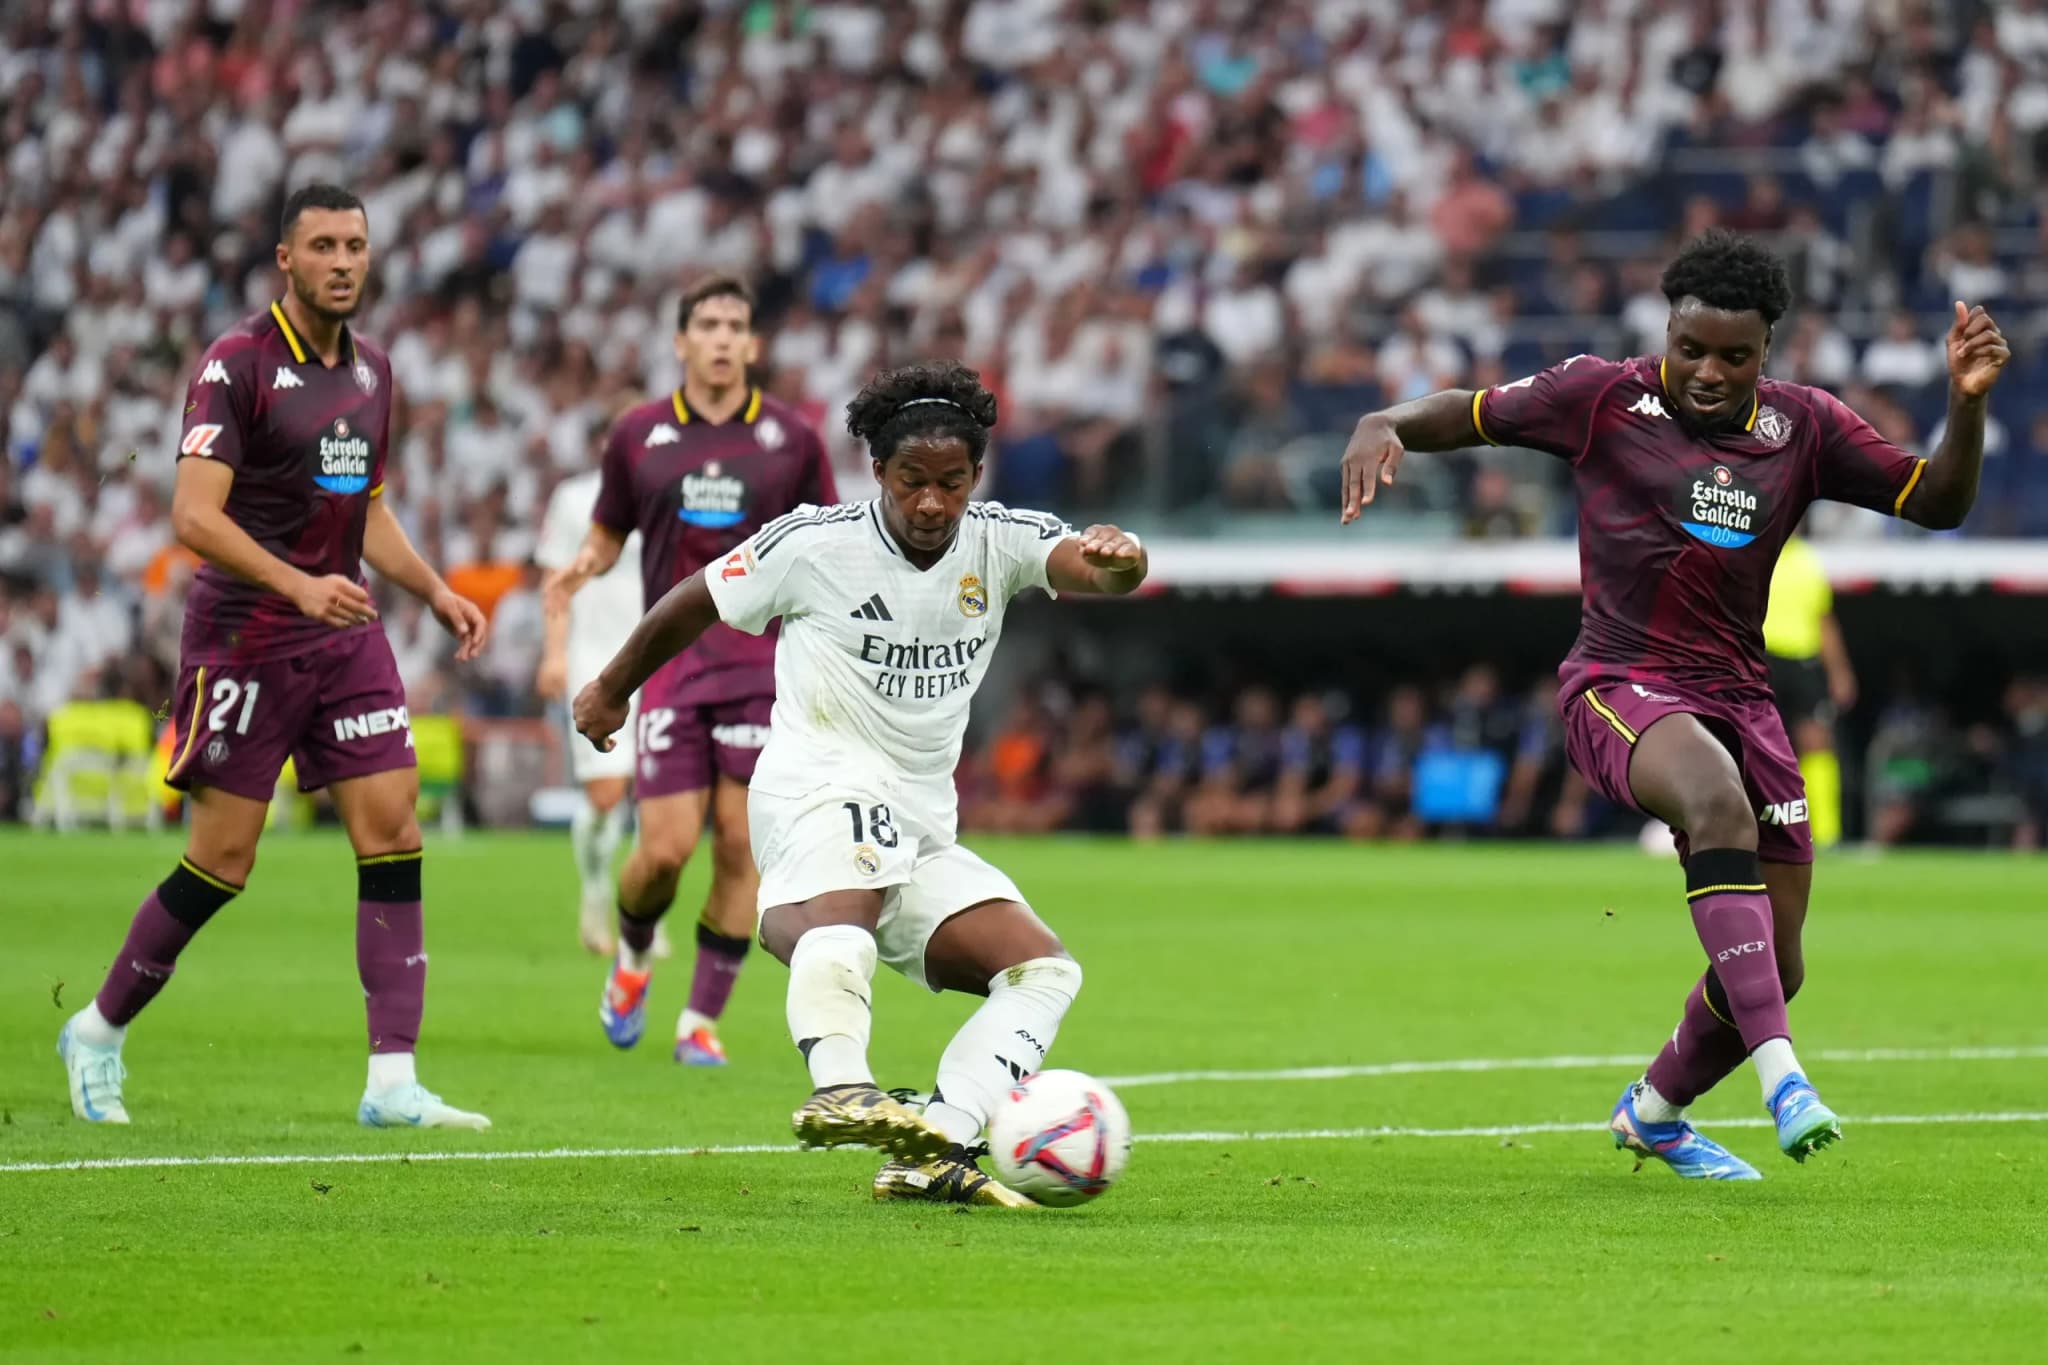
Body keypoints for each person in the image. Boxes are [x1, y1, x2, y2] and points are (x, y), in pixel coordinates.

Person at [1339, 229, 2007, 1179]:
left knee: (1779, 964)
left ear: (1766, 350)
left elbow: (1937, 501)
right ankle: (1785, 1080)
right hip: (1618, 684)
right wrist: (1387, 420)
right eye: (1691, 347)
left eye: (1734, 356)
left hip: (1744, 701)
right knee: (1716, 802)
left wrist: (1965, 404)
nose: (1707, 371)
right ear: (1666, 333)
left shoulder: (1805, 426)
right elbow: (1472, 412)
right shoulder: (1600, 395)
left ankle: (1654, 1111)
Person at [572, 361, 1148, 1206]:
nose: (932, 503)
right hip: (815, 788)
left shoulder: (1000, 539)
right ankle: (841, 1083)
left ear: (976, 476)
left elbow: (1098, 570)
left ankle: (939, 1141)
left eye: (952, 482)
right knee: (846, 905)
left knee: (1044, 969)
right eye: (912, 480)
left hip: (920, 822)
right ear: (877, 470)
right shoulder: (814, 544)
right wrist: (611, 687)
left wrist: (1123, 560)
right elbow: (694, 599)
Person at [56, 183, 494, 1129]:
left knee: (394, 827)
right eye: (324, 245)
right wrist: (297, 585)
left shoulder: (374, 371)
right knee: (223, 857)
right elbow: (192, 516)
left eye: (356, 246)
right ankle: (96, 1029)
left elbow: (366, 506)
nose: (343, 262)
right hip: (246, 635)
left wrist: (433, 589)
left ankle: (392, 1082)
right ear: (286, 259)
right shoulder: (237, 363)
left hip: (344, 630)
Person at [545, 275, 836, 1068]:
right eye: (707, 324)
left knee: (741, 844)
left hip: (759, 668)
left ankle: (700, 1021)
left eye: (735, 325)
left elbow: (825, 543)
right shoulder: (639, 435)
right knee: (665, 851)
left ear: (753, 344)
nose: (721, 337)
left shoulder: (791, 438)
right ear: (681, 342)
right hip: (671, 665)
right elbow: (608, 533)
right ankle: (634, 955)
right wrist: (579, 569)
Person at [534, 438, 656, 958]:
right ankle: (596, 891)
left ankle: (645, 910)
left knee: (657, 793)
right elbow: (555, 580)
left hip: (655, 653)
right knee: (606, 794)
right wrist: (554, 654)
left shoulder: (664, 494)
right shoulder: (574, 498)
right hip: (592, 656)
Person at [1762, 532, 1857, 848]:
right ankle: (1758, 828)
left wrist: (1839, 672)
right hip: (1762, 657)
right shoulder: (1752, 549)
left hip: (1803, 662)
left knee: (1816, 743)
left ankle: (1827, 834)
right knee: (1756, 745)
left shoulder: (1809, 562)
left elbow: (1824, 622)